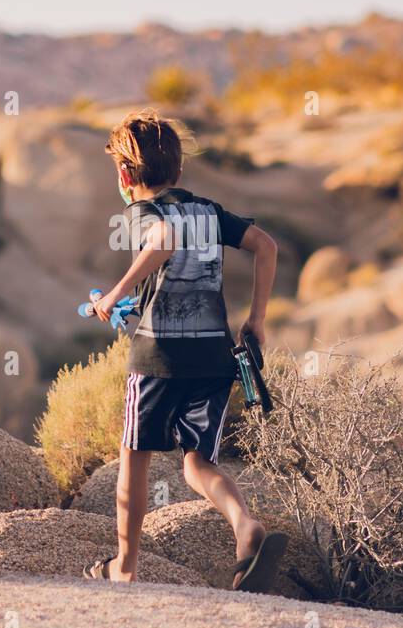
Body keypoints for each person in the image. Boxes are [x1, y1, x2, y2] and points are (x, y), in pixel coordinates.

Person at [82, 108, 286, 592]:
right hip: (213, 358)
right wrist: (255, 319)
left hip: (158, 360)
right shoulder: (209, 211)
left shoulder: (143, 213)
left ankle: (124, 568)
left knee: (134, 458)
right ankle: (244, 526)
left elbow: (164, 239)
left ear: (124, 175)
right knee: (198, 462)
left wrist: (111, 297)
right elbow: (266, 245)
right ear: (178, 169)